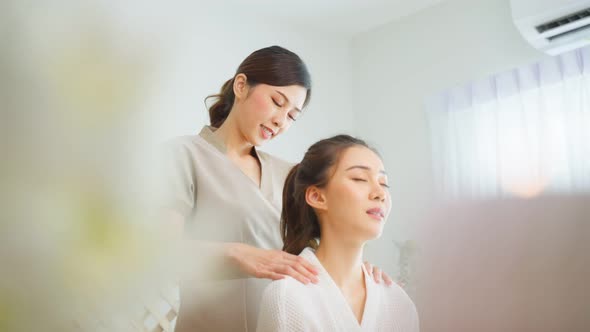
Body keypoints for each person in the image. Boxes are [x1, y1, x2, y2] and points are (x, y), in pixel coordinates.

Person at [161, 46, 394, 332]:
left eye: (292, 115)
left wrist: (358, 273)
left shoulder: (289, 174)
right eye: (276, 101)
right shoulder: (183, 155)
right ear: (241, 85)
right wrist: (240, 255)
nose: (280, 121)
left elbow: (321, 252)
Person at [257, 135, 419, 331]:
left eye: (384, 183)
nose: (380, 193)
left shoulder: (398, 303)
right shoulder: (287, 297)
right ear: (317, 196)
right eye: (360, 179)